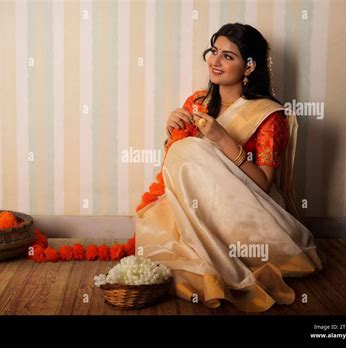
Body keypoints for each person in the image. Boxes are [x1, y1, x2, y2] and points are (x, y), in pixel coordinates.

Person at [135, 23, 323, 312]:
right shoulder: (198, 102)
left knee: (187, 148)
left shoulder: (269, 116)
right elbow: (179, 168)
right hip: (198, 205)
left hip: (246, 210)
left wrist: (222, 138)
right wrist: (172, 131)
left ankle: (223, 259)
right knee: (183, 149)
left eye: (228, 56)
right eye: (214, 52)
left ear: (249, 67)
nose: (216, 61)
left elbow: (263, 183)